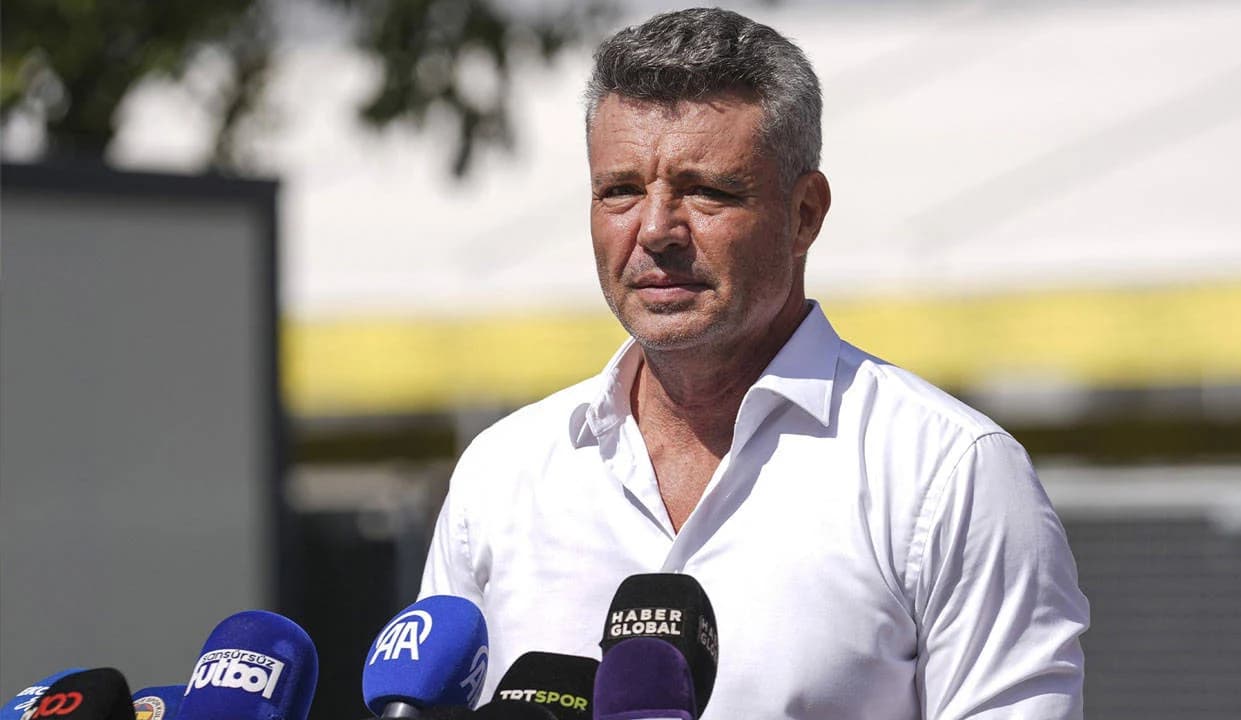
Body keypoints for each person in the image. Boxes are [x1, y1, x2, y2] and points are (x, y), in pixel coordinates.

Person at [420, 8, 1089, 719]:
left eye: (706, 191)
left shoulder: (947, 473)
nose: (656, 230)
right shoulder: (503, 474)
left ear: (805, 214)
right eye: (620, 190)